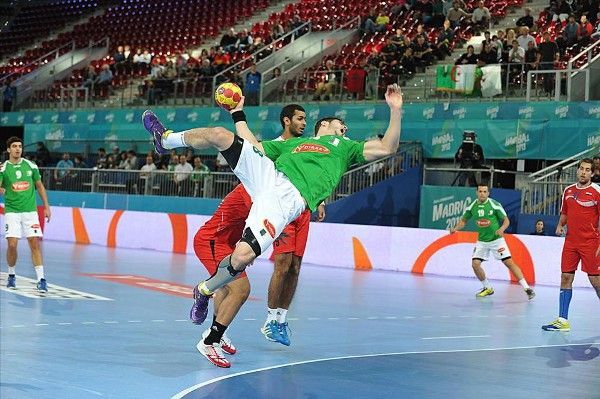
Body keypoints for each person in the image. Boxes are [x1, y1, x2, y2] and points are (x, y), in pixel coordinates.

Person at [141, 84, 403, 331]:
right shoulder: (293, 143)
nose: (345, 128)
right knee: (220, 135)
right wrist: (237, 113)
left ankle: (204, 290)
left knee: (242, 256)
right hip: (268, 178)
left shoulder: (346, 147)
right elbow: (254, 148)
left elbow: (387, 147)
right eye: (341, 124)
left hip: (286, 202)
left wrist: (395, 110)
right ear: (325, 124)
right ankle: (165, 140)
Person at [192, 104, 325, 367]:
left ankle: (219, 330)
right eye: (299, 118)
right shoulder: (259, 187)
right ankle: (209, 340)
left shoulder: (266, 192)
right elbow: (249, 151)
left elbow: (258, 220)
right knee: (241, 289)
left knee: (230, 284)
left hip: (228, 241)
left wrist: (249, 246)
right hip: (212, 240)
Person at [449, 183, 535, 300]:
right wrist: (455, 228)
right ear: (476, 192)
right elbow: (463, 221)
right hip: (482, 241)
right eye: (480, 191)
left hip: (496, 240)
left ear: (488, 193)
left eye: (485, 192)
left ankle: (527, 288)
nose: (482, 194)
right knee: (475, 264)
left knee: (509, 263)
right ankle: (487, 287)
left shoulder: (494, 205)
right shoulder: (471, 207)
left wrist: (501, 229)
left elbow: (506, 220)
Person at [542, 158, 600, 332]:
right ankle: (562, 320)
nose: (583, 172)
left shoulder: (597, 191)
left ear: (593, 173)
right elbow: (565, 212)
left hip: (591, 243)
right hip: (571, 242)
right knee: (566, 278)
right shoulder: (568, 191)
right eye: (581, 169)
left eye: (587, 170)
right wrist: (561, 225)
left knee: (596, 281)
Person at [0, 137, 51, 292]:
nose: (17, 149)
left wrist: (47, 207)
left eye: (20, 146)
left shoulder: (31, 165)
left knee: (34, 243)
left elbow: (40, 186)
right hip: (12, 212)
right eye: (14, 146)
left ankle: (41, 279)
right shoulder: (3, 168)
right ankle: (11, 275)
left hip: (30, 212)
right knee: (12, 245)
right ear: (8, 149)